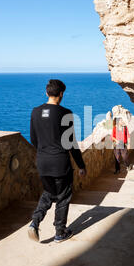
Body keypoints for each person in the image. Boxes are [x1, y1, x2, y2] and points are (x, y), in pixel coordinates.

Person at [28, 79, 86, 244]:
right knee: (63, 197)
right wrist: (81, 165)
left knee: (48, 193)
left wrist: (44, 152)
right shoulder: (66, 113)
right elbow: (71, 144)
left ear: (46, 93)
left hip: (42, 162)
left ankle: (35, 221)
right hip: (60, 162)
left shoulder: (35, 112)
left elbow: (33, 139)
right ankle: (60, 232)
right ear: (61, 94)